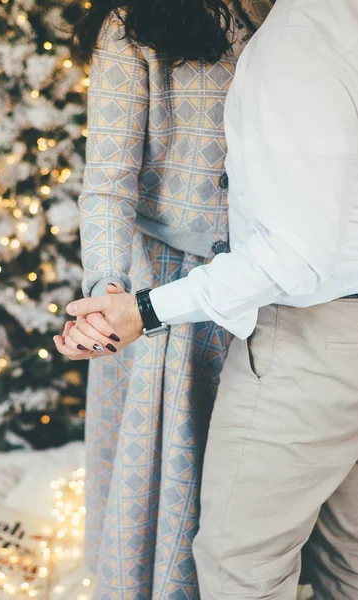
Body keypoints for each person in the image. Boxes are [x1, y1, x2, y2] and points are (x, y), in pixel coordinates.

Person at [60, 0, 358, 598]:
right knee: (201, 507)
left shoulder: (296, 17)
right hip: (176, 298)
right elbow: (107, 185)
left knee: (302, 519)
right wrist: (108, 289)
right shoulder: (132, 26)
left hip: (290, 295)